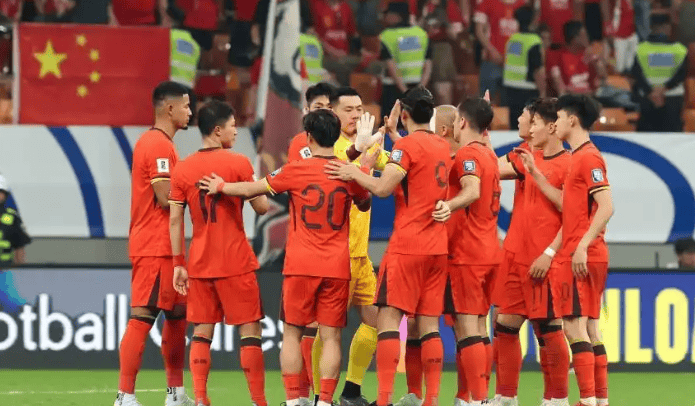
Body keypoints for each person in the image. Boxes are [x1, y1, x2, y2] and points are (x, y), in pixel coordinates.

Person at [200, 109, 372, 406]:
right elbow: (365, 204)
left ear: (309, 137)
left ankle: (293, 401)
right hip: (336, 266)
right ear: (337, 137)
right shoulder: (347, 172)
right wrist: (362, 165)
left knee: (292, 333)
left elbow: (253, 188)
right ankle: (325, 401)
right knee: (331, 337)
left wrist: (221, 186)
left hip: (300, 265)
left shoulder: (294, 169)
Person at [326, 86, 450, 406]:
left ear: (404, 113)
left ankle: (383, 400)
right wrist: (395, 135)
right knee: (429, 325)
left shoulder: (405, 147)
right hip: (437, 247)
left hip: (408, 246)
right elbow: (416, 161)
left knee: (388, 320)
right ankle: (431, 400)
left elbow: (382, 188)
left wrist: (354, 171)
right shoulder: (442, 145)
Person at [168, 101, 269, 406]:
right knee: (250, 332)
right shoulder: (239, 162)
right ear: (217, 130)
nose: (236, 131)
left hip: (199, 262)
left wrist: (178, 264)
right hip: (236, 260)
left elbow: (175, 220)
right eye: (232, 125)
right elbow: (262, 207)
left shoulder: (182, 169)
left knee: (202, 332)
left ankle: (200, 398)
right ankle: (259, 401)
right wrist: (258, 182)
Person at [292, 86, 387, 406]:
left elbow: (392, 169)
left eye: (360, 108)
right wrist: (363, 157)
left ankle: (351, 390)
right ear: (333, 113)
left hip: (361, 255)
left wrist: (392, 137)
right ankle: (321, 396)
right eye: (349, 110)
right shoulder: (328, 147)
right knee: (326, 330)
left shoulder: (367, 142)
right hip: (336, 255)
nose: (357, 115)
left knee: (375, 321)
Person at [115, 81, 193, 406]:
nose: (190, 111)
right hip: (155, 244)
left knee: (177, 315)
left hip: (166, 245)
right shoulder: (158, 144)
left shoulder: (162, 144)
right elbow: (164, 196)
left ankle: (175, 394)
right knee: (142, 316)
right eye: (186, 106)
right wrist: (201, 190)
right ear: (169, 108)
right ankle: (125, 395)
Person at [494, 98, 571, 406]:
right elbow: (489, 169)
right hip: (516, 256)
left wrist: (550, 253)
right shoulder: (527, 155)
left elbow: (574, 215)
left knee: (548, 328)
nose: (529, 127)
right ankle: (506, 397)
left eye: (534, 122)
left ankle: (557, 399)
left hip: (545, 259)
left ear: (551, 127)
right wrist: (477, 134)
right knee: (504, 325)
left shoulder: (569, 163)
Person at [541, 94, 613, 406]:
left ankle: (587, 400)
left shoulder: (588, 158)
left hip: (582, 254)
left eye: (558, 117)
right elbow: (573, 212)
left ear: (572, 119)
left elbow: (606, 206)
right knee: (591, 328)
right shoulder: (580, 157)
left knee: (573, 327)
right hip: (587, 252)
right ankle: (600, 401)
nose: (554, 123)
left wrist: (582, 245)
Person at [429, 97, 500, 406]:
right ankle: (466, 396)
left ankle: (479, 399)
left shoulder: (468, 155)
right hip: (490, 250)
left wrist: (448, 205)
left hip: (468, 253)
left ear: (461, 123)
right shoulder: (489, 154)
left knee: (467, 326)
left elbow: (472, 190)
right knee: (477, 328)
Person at [395, 104, 458, 406]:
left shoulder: (462, 158)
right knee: (420, 326)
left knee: (461, 328)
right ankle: (420, 396)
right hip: (438, 248)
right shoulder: (444, 153)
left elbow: (386, 184)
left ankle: (467, 397)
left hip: (431, 249)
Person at [631, 13, 687, 133]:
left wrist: (652, 92)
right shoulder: (680, 50)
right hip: (672, 97)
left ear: (651, 27)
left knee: (646, 136)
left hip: (648, 98)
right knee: (672, 136)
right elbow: (682, 74)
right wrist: (663, 89)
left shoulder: (641, 49)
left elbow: (636, 74)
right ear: (667, 27)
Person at [380, 1, 432, 122]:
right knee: (416, 124)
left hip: (394, 89)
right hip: (418, 88)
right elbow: (428, 64)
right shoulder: (421, 34)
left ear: (396, 16)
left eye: (387, 14)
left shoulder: (387, 36)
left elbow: (391, 66)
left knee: (392, 125)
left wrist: (405, 92)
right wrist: (420, 89)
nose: (385, 17)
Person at [473, 0, 527, 102]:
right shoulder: (486, 3)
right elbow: (479, 31)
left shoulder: (522, 4)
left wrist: (511, 57)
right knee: (485, 102)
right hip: (491, 61)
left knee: (509, 102)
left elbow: (521, 34)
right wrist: (492, 51)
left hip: (512, 64)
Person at [503, 6, 546, 130]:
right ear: (533, 20)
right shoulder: (534, 41)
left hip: (510, 90)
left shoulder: (513, 39)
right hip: (528, 92)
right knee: (529, 129)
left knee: (514, 128)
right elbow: (537, 70)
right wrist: (542, 93)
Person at [419, 0, 465, 105]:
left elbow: (457, 34)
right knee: (420, 93)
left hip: (441, 46)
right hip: (419, 46)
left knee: (442, 92)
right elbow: (412, 26)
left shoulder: (448, 4)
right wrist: (424, 22)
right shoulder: (420, 4)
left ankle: (445, 114)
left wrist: (446, 24)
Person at [0, 174, 32, 315]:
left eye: (0, 192)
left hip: (4, 272)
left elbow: (19, 247)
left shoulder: (11, 217)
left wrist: (20, 272)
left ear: (5, 195)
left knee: (14, 308)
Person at [550, 21, 606, 96]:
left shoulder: (588, 55)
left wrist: (596, 61)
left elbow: (603, 79)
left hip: (593, 96)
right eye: (584, 35)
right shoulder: (558, 57)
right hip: (574, 98)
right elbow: (561, 91)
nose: (587, 38)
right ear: (575, 39)